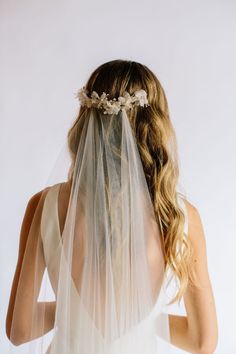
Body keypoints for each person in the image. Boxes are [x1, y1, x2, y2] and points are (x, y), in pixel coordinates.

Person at [6, 59, 218, 354]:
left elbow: (20, 329)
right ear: (154, 127)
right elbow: (202, 342)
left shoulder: (44, 206)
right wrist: (144, 318)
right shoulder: (179, 216)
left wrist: (72, 310)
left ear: (88, 118)